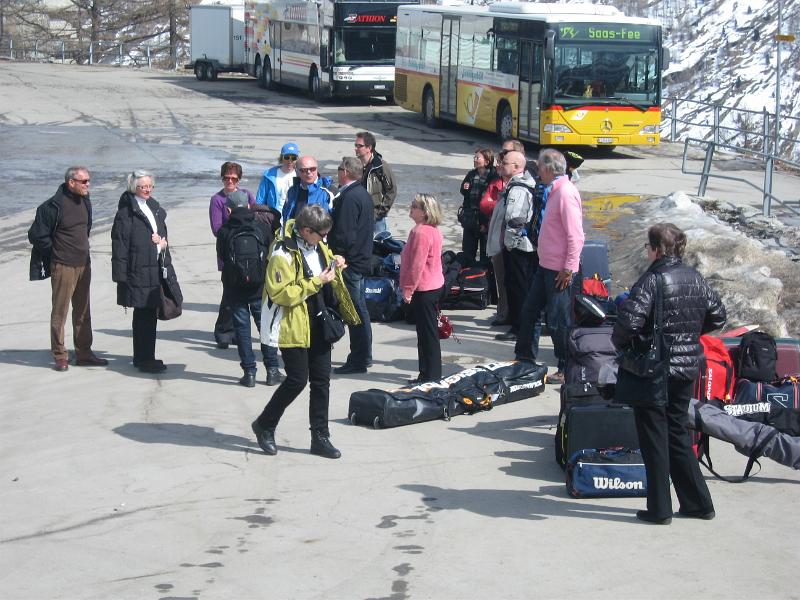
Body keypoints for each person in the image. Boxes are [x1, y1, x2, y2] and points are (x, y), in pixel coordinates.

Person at [612, 223, 726, 525]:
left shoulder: (652, 279)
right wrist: (688, 334)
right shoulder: (694, 276)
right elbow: (718, 315)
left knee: (653, 437)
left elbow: (628, 324)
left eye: (648, 247)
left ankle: (660, 508)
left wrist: (626, 345)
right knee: (677, 433)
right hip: (686, 367)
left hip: (656, 369)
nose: (646, 252)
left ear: (656, 249)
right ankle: (698, 503)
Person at [252, 205, 359, 459]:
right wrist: (315, 282)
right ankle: (265, 424)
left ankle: (320, 436)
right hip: (293, 324)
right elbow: (280, 293)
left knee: (322, 381)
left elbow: (325, 265)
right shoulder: (282, 253)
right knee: (297, 379)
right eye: (321, 235)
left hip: (319, 321)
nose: (325, 239)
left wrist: (336, 263)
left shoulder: (318, 245)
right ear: (306, 230)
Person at [28, 166, 108, 371]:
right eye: (84, 181)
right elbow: (36, 236)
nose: (88, 185)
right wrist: (55, 254)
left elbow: (84, 229)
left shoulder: (85, 200)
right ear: (71, 182)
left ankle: (84, 353)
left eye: (89, 180)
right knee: (60, 312)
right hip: (63, 265)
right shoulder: (52, 206)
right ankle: (60, 355)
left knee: (83, 311)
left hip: (84, 263)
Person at [514, 149, 585, 384]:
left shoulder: (565, 193)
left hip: (559, 270)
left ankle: (566, 367)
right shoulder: (554, 190)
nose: (537, 173)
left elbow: (576, 236)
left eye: (539, 168)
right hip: (545, 264)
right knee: (529, 311)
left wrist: (569, 268)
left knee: (558, 321)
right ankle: (525, 357)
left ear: (546, 169)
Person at [216, 191, 283, 387]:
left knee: (242, 330)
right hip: (259, 287)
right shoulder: (261, 227)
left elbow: (222, 256)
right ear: (248, 207)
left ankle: (249, 373)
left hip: (234, 288)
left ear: (228, 210)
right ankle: (272, 371)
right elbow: (271, 253)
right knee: (265, 328)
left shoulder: (225, 231)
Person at [111, 170, 172, 374]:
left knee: (147, 315)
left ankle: (143, 357)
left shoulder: (153, 207)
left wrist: (161, 244)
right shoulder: (126, 213)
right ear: (133, 188)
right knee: (144, 316)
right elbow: (119, 247)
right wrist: (121, 277)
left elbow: (159, 234)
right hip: (137, 270)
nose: (147, 189)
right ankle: (145, 359)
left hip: (153, 267)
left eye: (149, 186)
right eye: (142, 186)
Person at [329, 156, 375, 375]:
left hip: (350, 263)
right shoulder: (362, 194)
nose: (337, 173)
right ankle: (363, 355)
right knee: (359, 309)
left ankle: (359, 358)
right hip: (359, 259)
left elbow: (345, 233)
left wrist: (339, 255)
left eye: (339, 169)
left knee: (354, 311)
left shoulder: (349, 197)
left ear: (345, 171)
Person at [209, 162, 256, 349]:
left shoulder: (247, 196)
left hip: (248, 253)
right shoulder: (217, 200)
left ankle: (238, 332)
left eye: (233, 178)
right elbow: (217, 228)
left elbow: (254, 218)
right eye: (226, 177)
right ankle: (223, 331)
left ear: (239, 179)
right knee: (229, 296)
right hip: (228, 254)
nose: (229, 181)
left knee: (246, 297)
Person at [399, 193, 445, 385]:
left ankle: (430, 376)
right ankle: (427, 373)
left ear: (425, 212)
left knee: (427, 335)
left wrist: (408, 290)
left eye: (415, 205)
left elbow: (416, 265)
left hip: (425, 288)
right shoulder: (432, 230)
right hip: (434, 285)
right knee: (428, 333)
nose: (411, 207)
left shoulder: (420, 232)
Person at [493, 151, 536, 342]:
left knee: (518, 288)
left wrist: (509, 244)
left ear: (517, 167)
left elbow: (515, 220)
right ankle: (519, 326)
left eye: (505, 163)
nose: (501, 165)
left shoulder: (518, 189)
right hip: (519, 246)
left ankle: (520, 329)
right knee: (516, 287)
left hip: (519, 248)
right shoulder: (516, 185)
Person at [482, 150, 510, 327]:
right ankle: (502, 312)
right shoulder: (496, 182)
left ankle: (506, 314)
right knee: (501, 280)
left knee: (506, 281)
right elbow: (484, 203)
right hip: (496, 240)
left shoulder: (514, 187)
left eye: (502, 162)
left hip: (506, 243)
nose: (498, 165)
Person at [458, 147, 496, 266]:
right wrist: (465, 188)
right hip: (471, 217)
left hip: (485, 218)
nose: (474, 160)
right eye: (474, 157)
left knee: (485, 253)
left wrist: (485, 223)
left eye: (477, 158)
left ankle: (483, 278)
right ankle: (467, 275)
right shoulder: (471, 174)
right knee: (468, 251)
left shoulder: (493, 175)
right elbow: (463, 191)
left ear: (487, 161)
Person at [354, 131, 396, 234]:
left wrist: (379, 213)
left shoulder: (380, 166)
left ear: (369, 148)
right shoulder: (354, 166)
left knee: (379, 247)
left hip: (376, 220)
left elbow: (391, 191)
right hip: (358, 218)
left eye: (359, 146)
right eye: (355, 145)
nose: (355, 148)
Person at [281, 156, 333, 222]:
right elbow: (286, 215)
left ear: (317, 169)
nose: (309, 172)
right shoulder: (292, 191)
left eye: (312, 169)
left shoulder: (328, 192)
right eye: (304, 170)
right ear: (297, 172)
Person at [255, 141, 299, 216]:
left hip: (293, 219)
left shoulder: (300, 175)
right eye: (287, 157)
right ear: (281, 157)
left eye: (293, 158)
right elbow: (260, 199)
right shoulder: (269, 175)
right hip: (273, 219)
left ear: (297, 159)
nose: (290, 161)